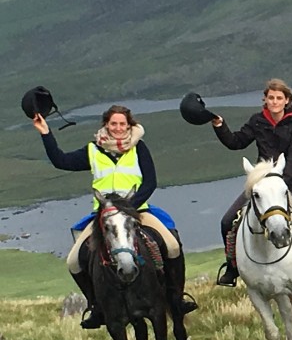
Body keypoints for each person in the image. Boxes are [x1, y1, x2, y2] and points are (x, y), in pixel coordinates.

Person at [33, 105, 197, 328]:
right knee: (73, 261)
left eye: (123, 124)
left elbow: (150, 182)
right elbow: (61, 161)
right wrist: (45, 133)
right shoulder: (93, 150)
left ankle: (177, 297)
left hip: (137, 213)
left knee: (172, 245)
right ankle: (96, 306)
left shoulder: (139, 148)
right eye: (114, 124)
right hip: (104, 217)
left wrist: (128, 208)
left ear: (129, 126)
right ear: (106, 126)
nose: (118, 128)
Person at [212, 79, 292, 286]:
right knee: (227, 222)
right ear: (265, 99)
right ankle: (232, 267)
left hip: (290, 183)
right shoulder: (257, 121)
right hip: (261, 185)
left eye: (279, 98)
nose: (274, 102)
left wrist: (279, 181)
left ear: (287, 100)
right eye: (271, 97)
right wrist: (220, 126)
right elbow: (236, 142)